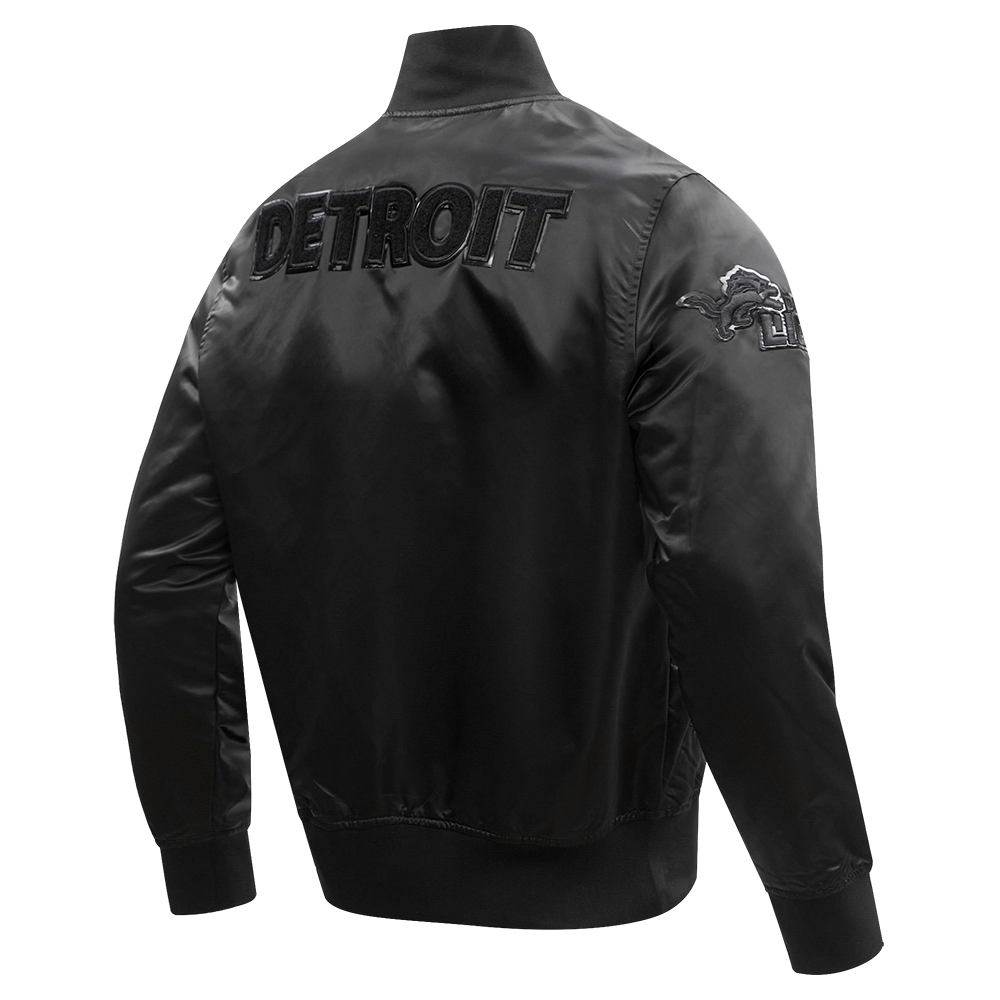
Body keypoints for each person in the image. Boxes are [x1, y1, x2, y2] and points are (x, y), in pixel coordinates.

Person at [115, 24, 882, 975]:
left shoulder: (263, 247)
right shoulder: (668, 225)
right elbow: (743, 582)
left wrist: (202, 863)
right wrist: (829, 915)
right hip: (607, 911)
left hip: (347, 893)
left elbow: (163, 579)